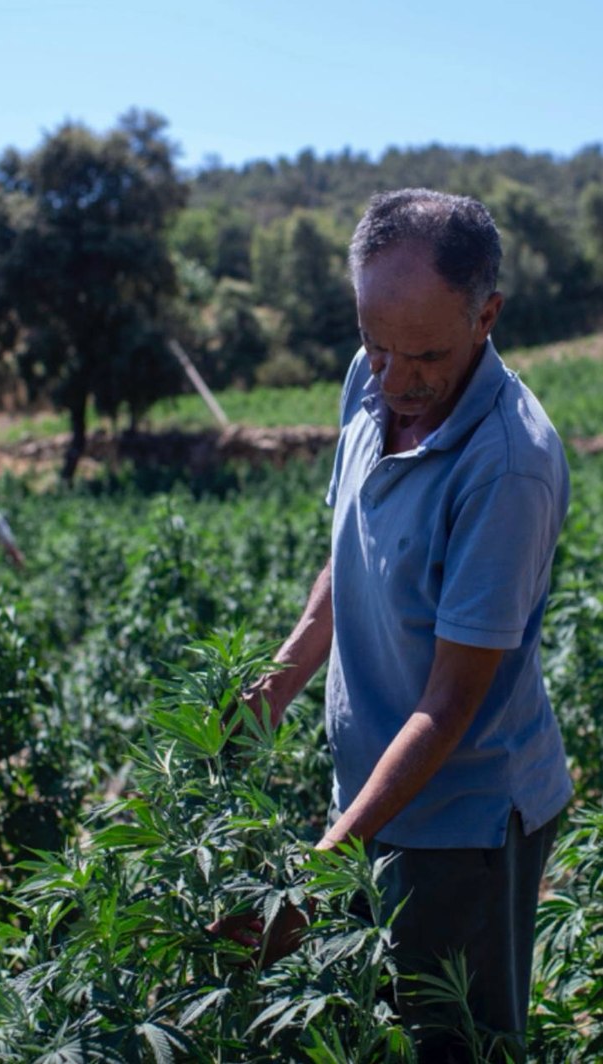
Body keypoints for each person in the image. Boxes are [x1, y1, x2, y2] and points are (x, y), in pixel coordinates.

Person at [223, 189, 573, 1062]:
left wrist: (322, 866)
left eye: (423, 355)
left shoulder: (507, 466)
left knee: (448, 1043)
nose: (394, 381)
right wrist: (273, 689)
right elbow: (352, 551)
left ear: (485, 315)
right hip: (371, 795)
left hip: (463, 823)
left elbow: (449, 706)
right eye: (376, 346)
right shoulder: (370, 379)